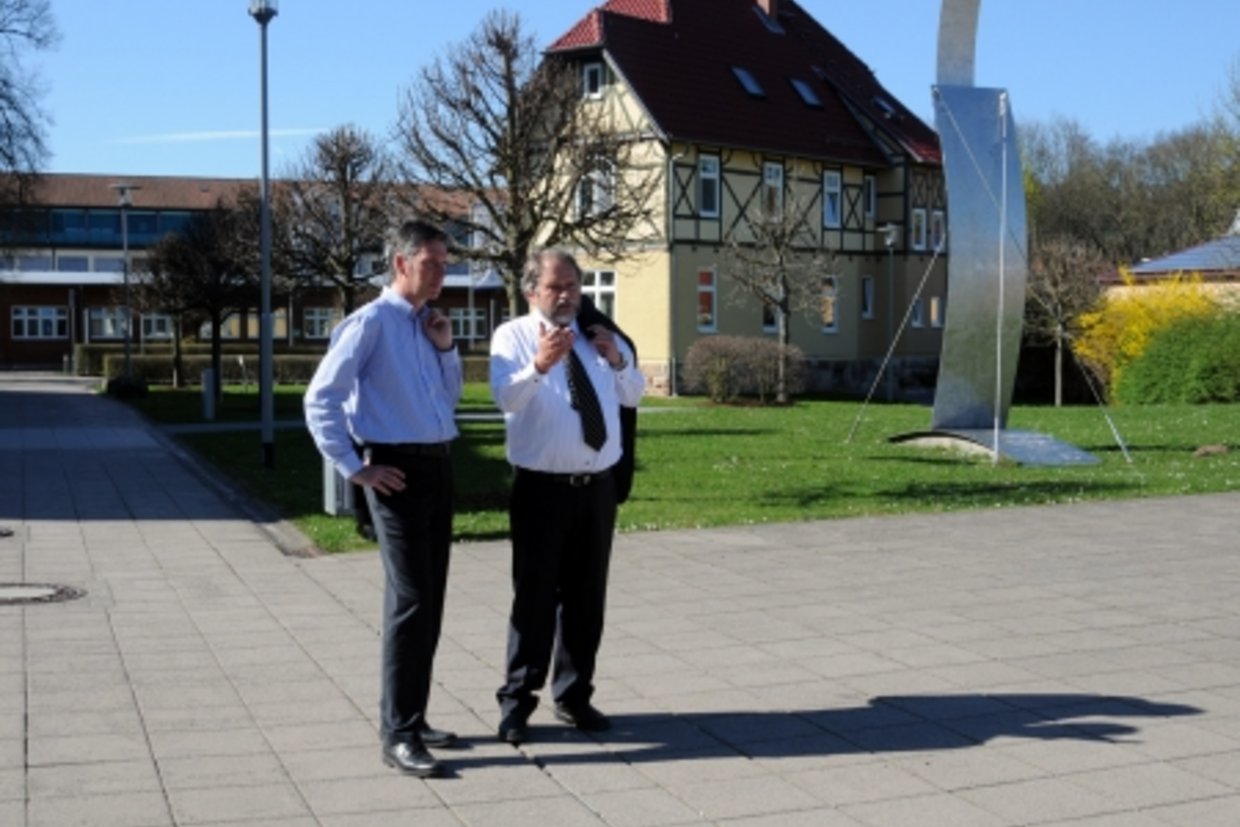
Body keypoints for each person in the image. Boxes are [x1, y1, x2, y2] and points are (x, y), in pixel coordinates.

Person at [304, 219, 461, 778]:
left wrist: (444, 348)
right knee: (412, 599)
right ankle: (396, 733)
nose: (443, 272)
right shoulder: (369, 324)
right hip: (394, 471)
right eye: (432, 262)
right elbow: (321, 399)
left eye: (447, 262)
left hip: (438, 467)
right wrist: (352, 467)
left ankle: (413, 717)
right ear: (400, 263)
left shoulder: (430, 325)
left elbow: (448, 399)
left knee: (433, 599)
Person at [489, 248, 645, 744]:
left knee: (586, 598)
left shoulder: (600, 337)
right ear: (531, 290)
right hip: (542, 490)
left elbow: (633, 395)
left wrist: (617, 361)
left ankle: (575, 696)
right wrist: (538, 365)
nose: (566, 296)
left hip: (595, 488)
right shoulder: (512, 336)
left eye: (573, 286)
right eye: (555, 287)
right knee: (533, 599)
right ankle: (517, 703)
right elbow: (505, 398)